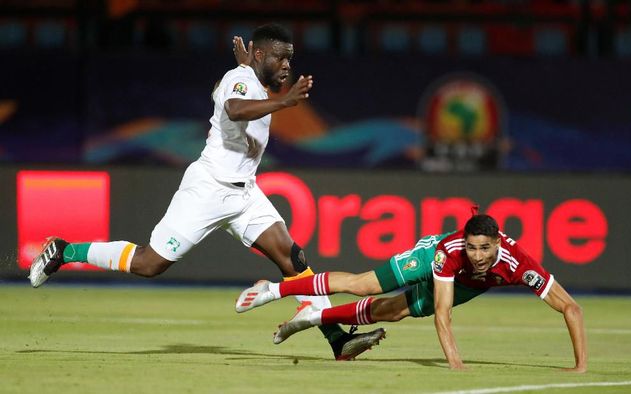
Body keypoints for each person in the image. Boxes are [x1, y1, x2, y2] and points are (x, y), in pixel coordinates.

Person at [28, 23, 385, 361]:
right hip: (209, 188)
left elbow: (233, 96)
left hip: (244, 194)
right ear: (259, 56)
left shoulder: (247, 79)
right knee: (150, 264)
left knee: (293, 258)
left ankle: (338, 339)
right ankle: (65, 249)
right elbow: (235, 108)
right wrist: (284, 101)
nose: (287, 65)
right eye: (280, 57)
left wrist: (259, 81)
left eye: (290, 58)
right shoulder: (240, 79)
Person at [236, 214, 587, 371]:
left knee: (393, 311)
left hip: (466, 285)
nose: (477, 256)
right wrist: (455, 363)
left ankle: (313, 316)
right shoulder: (452, 253)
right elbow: (443, 314)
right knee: (363, 285)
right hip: (429, 257)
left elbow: (571, 308)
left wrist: (580, 367)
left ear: (497, 243)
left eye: (484, 249)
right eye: (472, 248)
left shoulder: (519, 264)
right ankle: (275, 289)